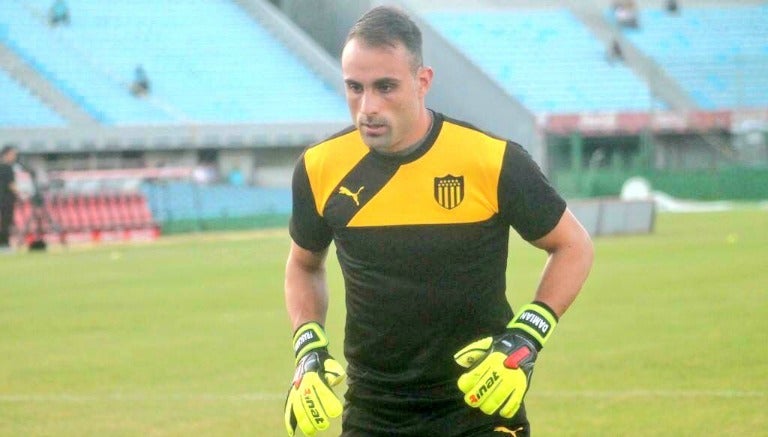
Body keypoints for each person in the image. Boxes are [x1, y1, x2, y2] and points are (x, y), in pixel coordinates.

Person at [282, 6, 594, 437]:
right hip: (374, 416)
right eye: (355, 87)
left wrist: (527, 338)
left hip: (480, 409)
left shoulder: (491, 160)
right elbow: (303, 264)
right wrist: (307, 347)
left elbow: (574, 245)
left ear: (422, 81)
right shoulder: (320, 168)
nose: (367, 107)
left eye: (385, 87)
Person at [0, 145, 20, 252]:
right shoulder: (7, 167)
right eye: (13, 154)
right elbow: (11, 184)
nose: (14, 157)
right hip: (7, 199)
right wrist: (19, 194)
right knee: (6, 222)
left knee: (4, 221)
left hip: (2, 198)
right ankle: (4, 244)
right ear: (6, 154)